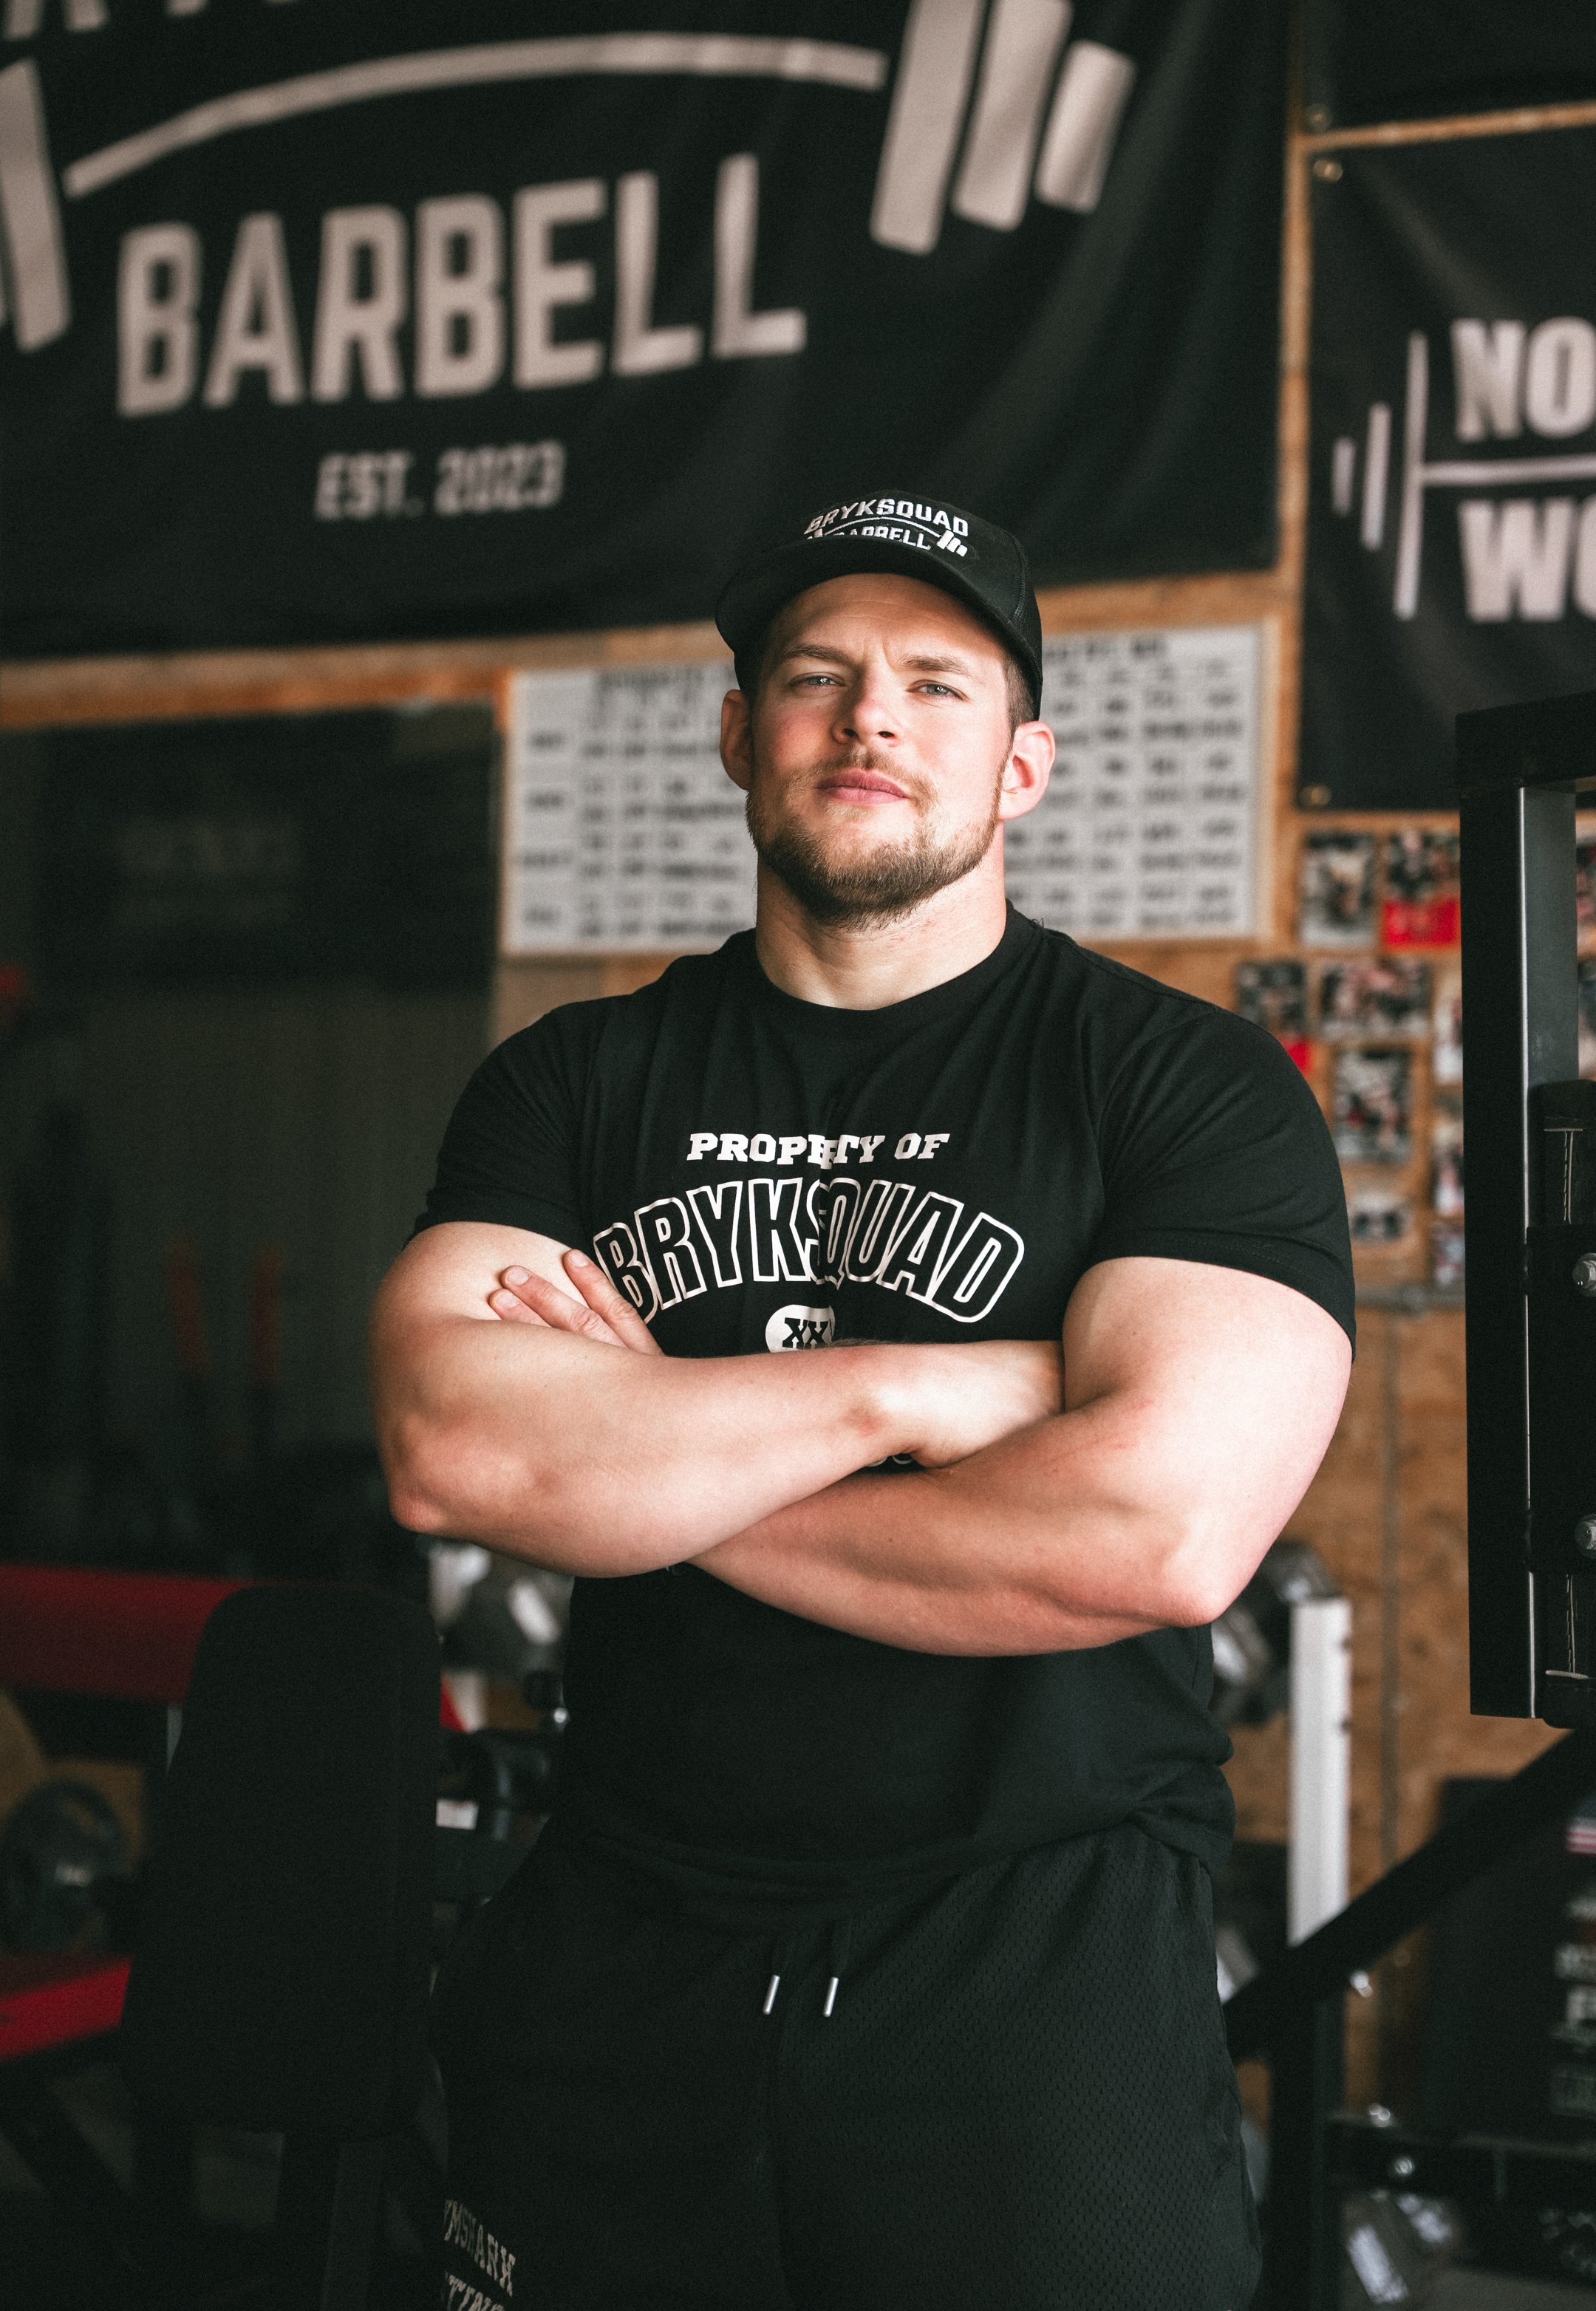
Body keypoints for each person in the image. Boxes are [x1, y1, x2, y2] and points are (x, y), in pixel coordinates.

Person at [371, 496, 1353, 2311]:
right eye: (813, 681)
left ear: (1026, 761)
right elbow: (460, 1450)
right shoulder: (572, 1084)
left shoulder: (1182, 1090)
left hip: (1035, 1985)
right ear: (741, 736)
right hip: (623, 1963)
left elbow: (1156, 1530)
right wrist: (933, 1383)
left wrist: (657, 1439)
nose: (868, 721)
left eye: (934, 684)